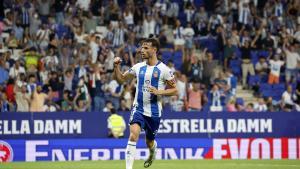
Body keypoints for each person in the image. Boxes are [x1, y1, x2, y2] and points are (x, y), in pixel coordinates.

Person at [113, 38, 178, 169]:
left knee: (149, 141)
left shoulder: (164, 70)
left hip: (154, 112)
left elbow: (175, 90)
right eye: (142, 48)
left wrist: (159, 92)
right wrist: (116, 67)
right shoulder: (138, 67)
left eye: (146, 48)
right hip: (139, 108)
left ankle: (152, 151)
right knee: (133, 135)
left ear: (154, 50)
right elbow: (121, 80)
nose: (142, 50)